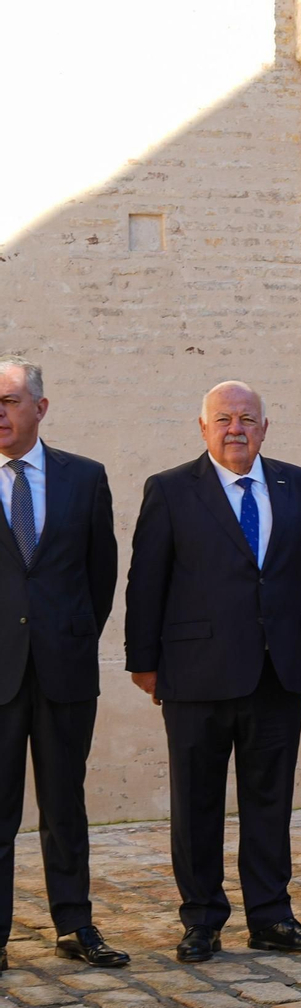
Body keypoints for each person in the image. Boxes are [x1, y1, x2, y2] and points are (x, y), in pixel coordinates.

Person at [125, 381, 301, 962]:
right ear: (203, 426)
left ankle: (271, 916)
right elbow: (147, 582)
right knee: (197, 804)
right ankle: (202, 919)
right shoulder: (169, 490)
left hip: (276, 673)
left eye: (246, 419)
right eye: (223, 419)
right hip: (195, 673)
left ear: (265, 427)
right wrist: (144, 662)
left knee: (269, 802)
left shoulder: (295, 483)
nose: (235, 429)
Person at [0, 359, 127, 972]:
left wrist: (73, 637)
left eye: (9, 400)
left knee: (65, 805)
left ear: (40, 408)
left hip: (64, 670)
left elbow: (99, 574)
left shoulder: (84, 478)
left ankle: (75, 925)